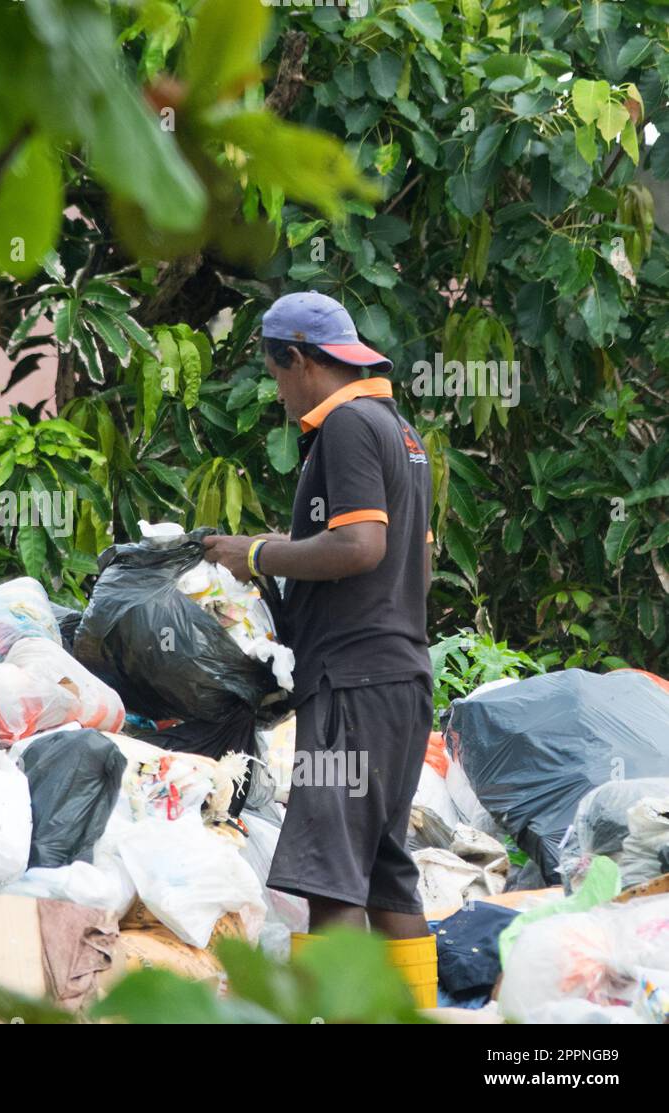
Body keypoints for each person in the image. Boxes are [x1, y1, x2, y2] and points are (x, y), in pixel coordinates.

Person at [203, 290, 435, 953]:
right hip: (401, 681)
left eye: (276, 375)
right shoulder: (401, 431)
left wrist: (252, 553)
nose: (278, 393)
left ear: (298, 359)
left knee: (333, 881)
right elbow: (408, 570)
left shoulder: (346, 426)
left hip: (354, 685)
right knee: (387, 878)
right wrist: (278, 556)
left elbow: (362, 547)